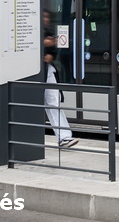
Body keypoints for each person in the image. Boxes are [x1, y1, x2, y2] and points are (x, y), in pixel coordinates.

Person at [43, 10, 77, 148]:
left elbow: (52, 49)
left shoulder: (49, 31)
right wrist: (45, 43)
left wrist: (50, 53)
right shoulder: (31, 30)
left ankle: (64, 137)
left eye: (47, 17)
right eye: (43, 17)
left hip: (48, 69)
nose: (46, 20)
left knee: (53, 101)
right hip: (33, 71)